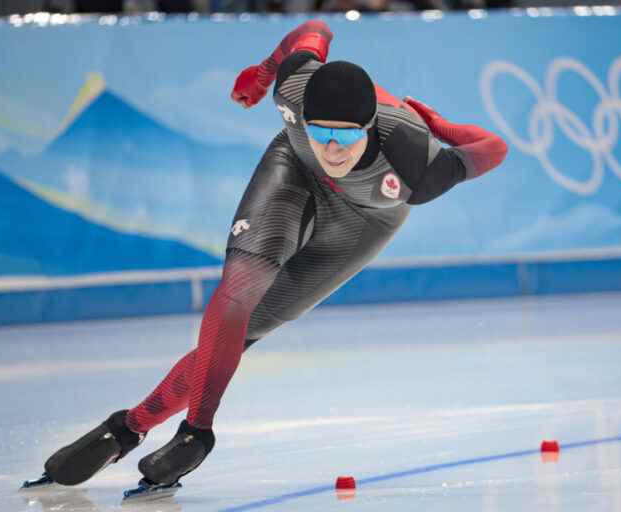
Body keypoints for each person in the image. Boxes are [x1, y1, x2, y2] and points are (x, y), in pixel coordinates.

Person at [35, 19, 508, 492]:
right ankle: (196, 432)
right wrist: (263, 74)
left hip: (365, 221)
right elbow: (314, 29)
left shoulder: (416, 165)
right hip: (293, 172)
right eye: (320, 132)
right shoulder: (295, 88)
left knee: (250, 327)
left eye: (345, 139)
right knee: (239, 290)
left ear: (372, 130)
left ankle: (129, 426)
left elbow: (494, 147)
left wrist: (442, 125)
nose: (331, 149)